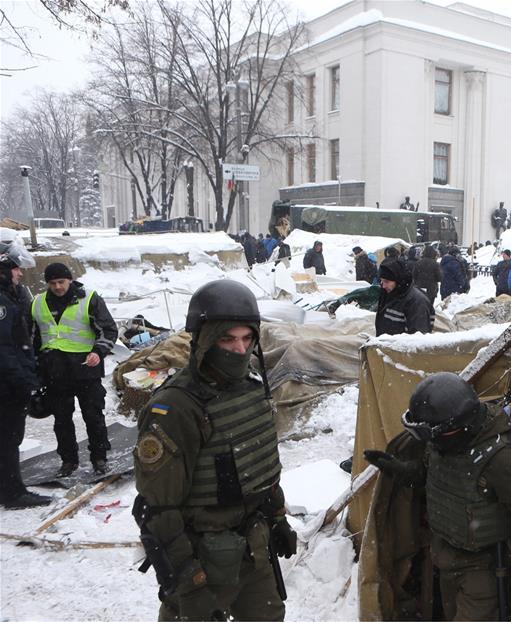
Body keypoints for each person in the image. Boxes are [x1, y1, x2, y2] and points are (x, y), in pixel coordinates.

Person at [363, 373, 511, 621]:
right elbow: (430, 478)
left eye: (431, 436)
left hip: (482, 571)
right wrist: (397, 470)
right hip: (444, 558)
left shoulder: (501, 459)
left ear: (456, 428)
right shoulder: (443, 441)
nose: (429, 443)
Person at [132, 280, 296, 621]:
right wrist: (189, 582)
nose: (239, 349)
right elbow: (158, 511)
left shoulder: (252, 389)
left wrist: (277, 519)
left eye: (246, 339)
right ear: (205, 339)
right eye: (227, 339)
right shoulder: (176, 407)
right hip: (201, 560)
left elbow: (259, 467)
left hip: (253, 547)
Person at [31, 263, 117, 477]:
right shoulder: (38, 303)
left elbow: (108, 329)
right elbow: (32, 338)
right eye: (53, 283)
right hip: (55, 372)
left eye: (61, 282)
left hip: (86, 369)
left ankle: (99, 458)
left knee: (93, 417)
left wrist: (99, 351)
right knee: (61, 420)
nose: (58, 287)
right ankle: (68, 461)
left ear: (70, 280)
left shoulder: (89, 298)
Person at [0, 241, 52, 508]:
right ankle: (12, 492)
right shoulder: (3, 303)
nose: (20, 273)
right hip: (6, 387)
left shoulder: (9, 297)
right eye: (16, 268)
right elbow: (5, 350)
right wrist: (25, 383)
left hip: (8, 382)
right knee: (9, 439)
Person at [375, 259, 434, 336]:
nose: (383, 286)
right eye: (381, 281)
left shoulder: (417, 302)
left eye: (387, 281)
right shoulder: (389, 294)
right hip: (386, 346)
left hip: (398, 347)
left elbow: (417, 339)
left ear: (398, 280)